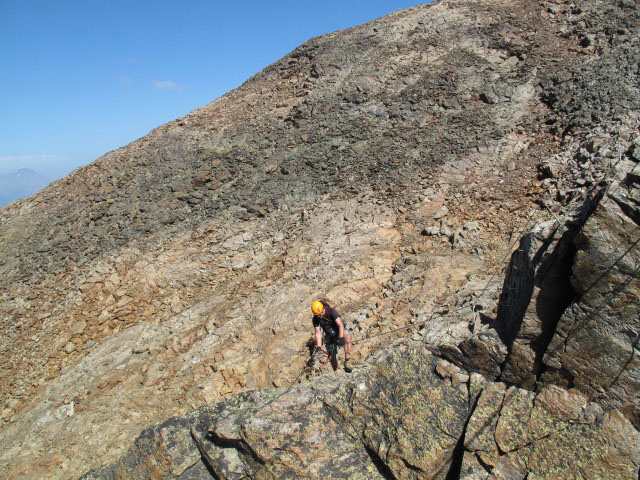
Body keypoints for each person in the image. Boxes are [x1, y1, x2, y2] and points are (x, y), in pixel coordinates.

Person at [311, 299, 353, 372]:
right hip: (329, 334)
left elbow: (340, 325)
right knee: (332, 356)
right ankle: (336, 371)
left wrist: (341, 338)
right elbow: (318, 332)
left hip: (339, 330)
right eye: (316, 315)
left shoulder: (331, 311)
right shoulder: (316, 318)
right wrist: (319, 346)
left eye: (319, 314)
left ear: (323, 309)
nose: (318, 316)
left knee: (347, 337)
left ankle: (347, 361)